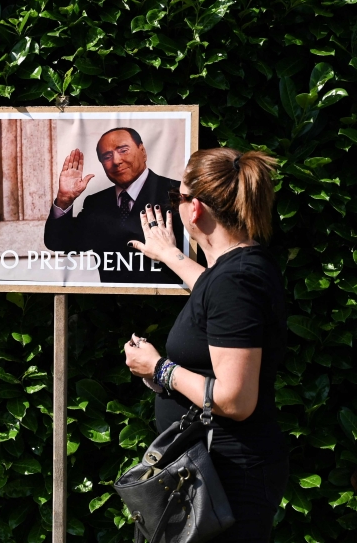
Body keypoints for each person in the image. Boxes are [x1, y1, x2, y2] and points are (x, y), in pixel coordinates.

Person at [123, 148, 288, 543]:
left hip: (227, 480)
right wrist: (171, 255)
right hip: (219, 475)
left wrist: (159, 368)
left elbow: (235, 400)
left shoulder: (236, 281)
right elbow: (216, 297)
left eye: (175, 198)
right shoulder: (240, 268)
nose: (174, 206)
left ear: (194, 209)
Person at [43, 127, 185, 284]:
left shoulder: (178, 193)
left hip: (168, 302)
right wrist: (64, 199)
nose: (116, 161)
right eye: (107, 156)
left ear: (143, 151)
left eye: (123, 150)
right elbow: (60, 243)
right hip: (111, 304)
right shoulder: (96, 202)